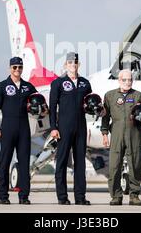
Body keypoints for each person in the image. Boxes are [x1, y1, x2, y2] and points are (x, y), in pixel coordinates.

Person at [101, 69, 141, 206]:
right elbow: (105, 117)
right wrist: (104, 134)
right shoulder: (110, 96)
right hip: (116, 133)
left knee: (135, 164)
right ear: (119, 80)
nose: (127, 82)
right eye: (124, 80)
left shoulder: (139, 96)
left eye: (130, 80)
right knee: (114, 166)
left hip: (134, 133)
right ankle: (116, 196)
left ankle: (134, 195)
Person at [0, 57, 43, 205]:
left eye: (19, 67)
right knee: (5, 162)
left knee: (24, 163)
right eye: (14, 67)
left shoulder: (28, 87)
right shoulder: (1, 86)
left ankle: (24, 196)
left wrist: (43, 109)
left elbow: (39, 102)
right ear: (10, 68)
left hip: (23, 129)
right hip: (7, 128)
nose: (17, 70)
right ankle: (3, 195)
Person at [49, 52, 92, 205]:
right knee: (61, 162)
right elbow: (52, 107)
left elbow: (90, 104)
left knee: (80, 163)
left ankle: (80, 197)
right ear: (65, 65)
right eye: (70, 63)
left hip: (81, 127)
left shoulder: (85, 83)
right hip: (63, 128)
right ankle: (62, 197)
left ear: (78, 65)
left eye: (75, 63)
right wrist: (53, 127)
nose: (73, 65)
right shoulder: (58, 83)